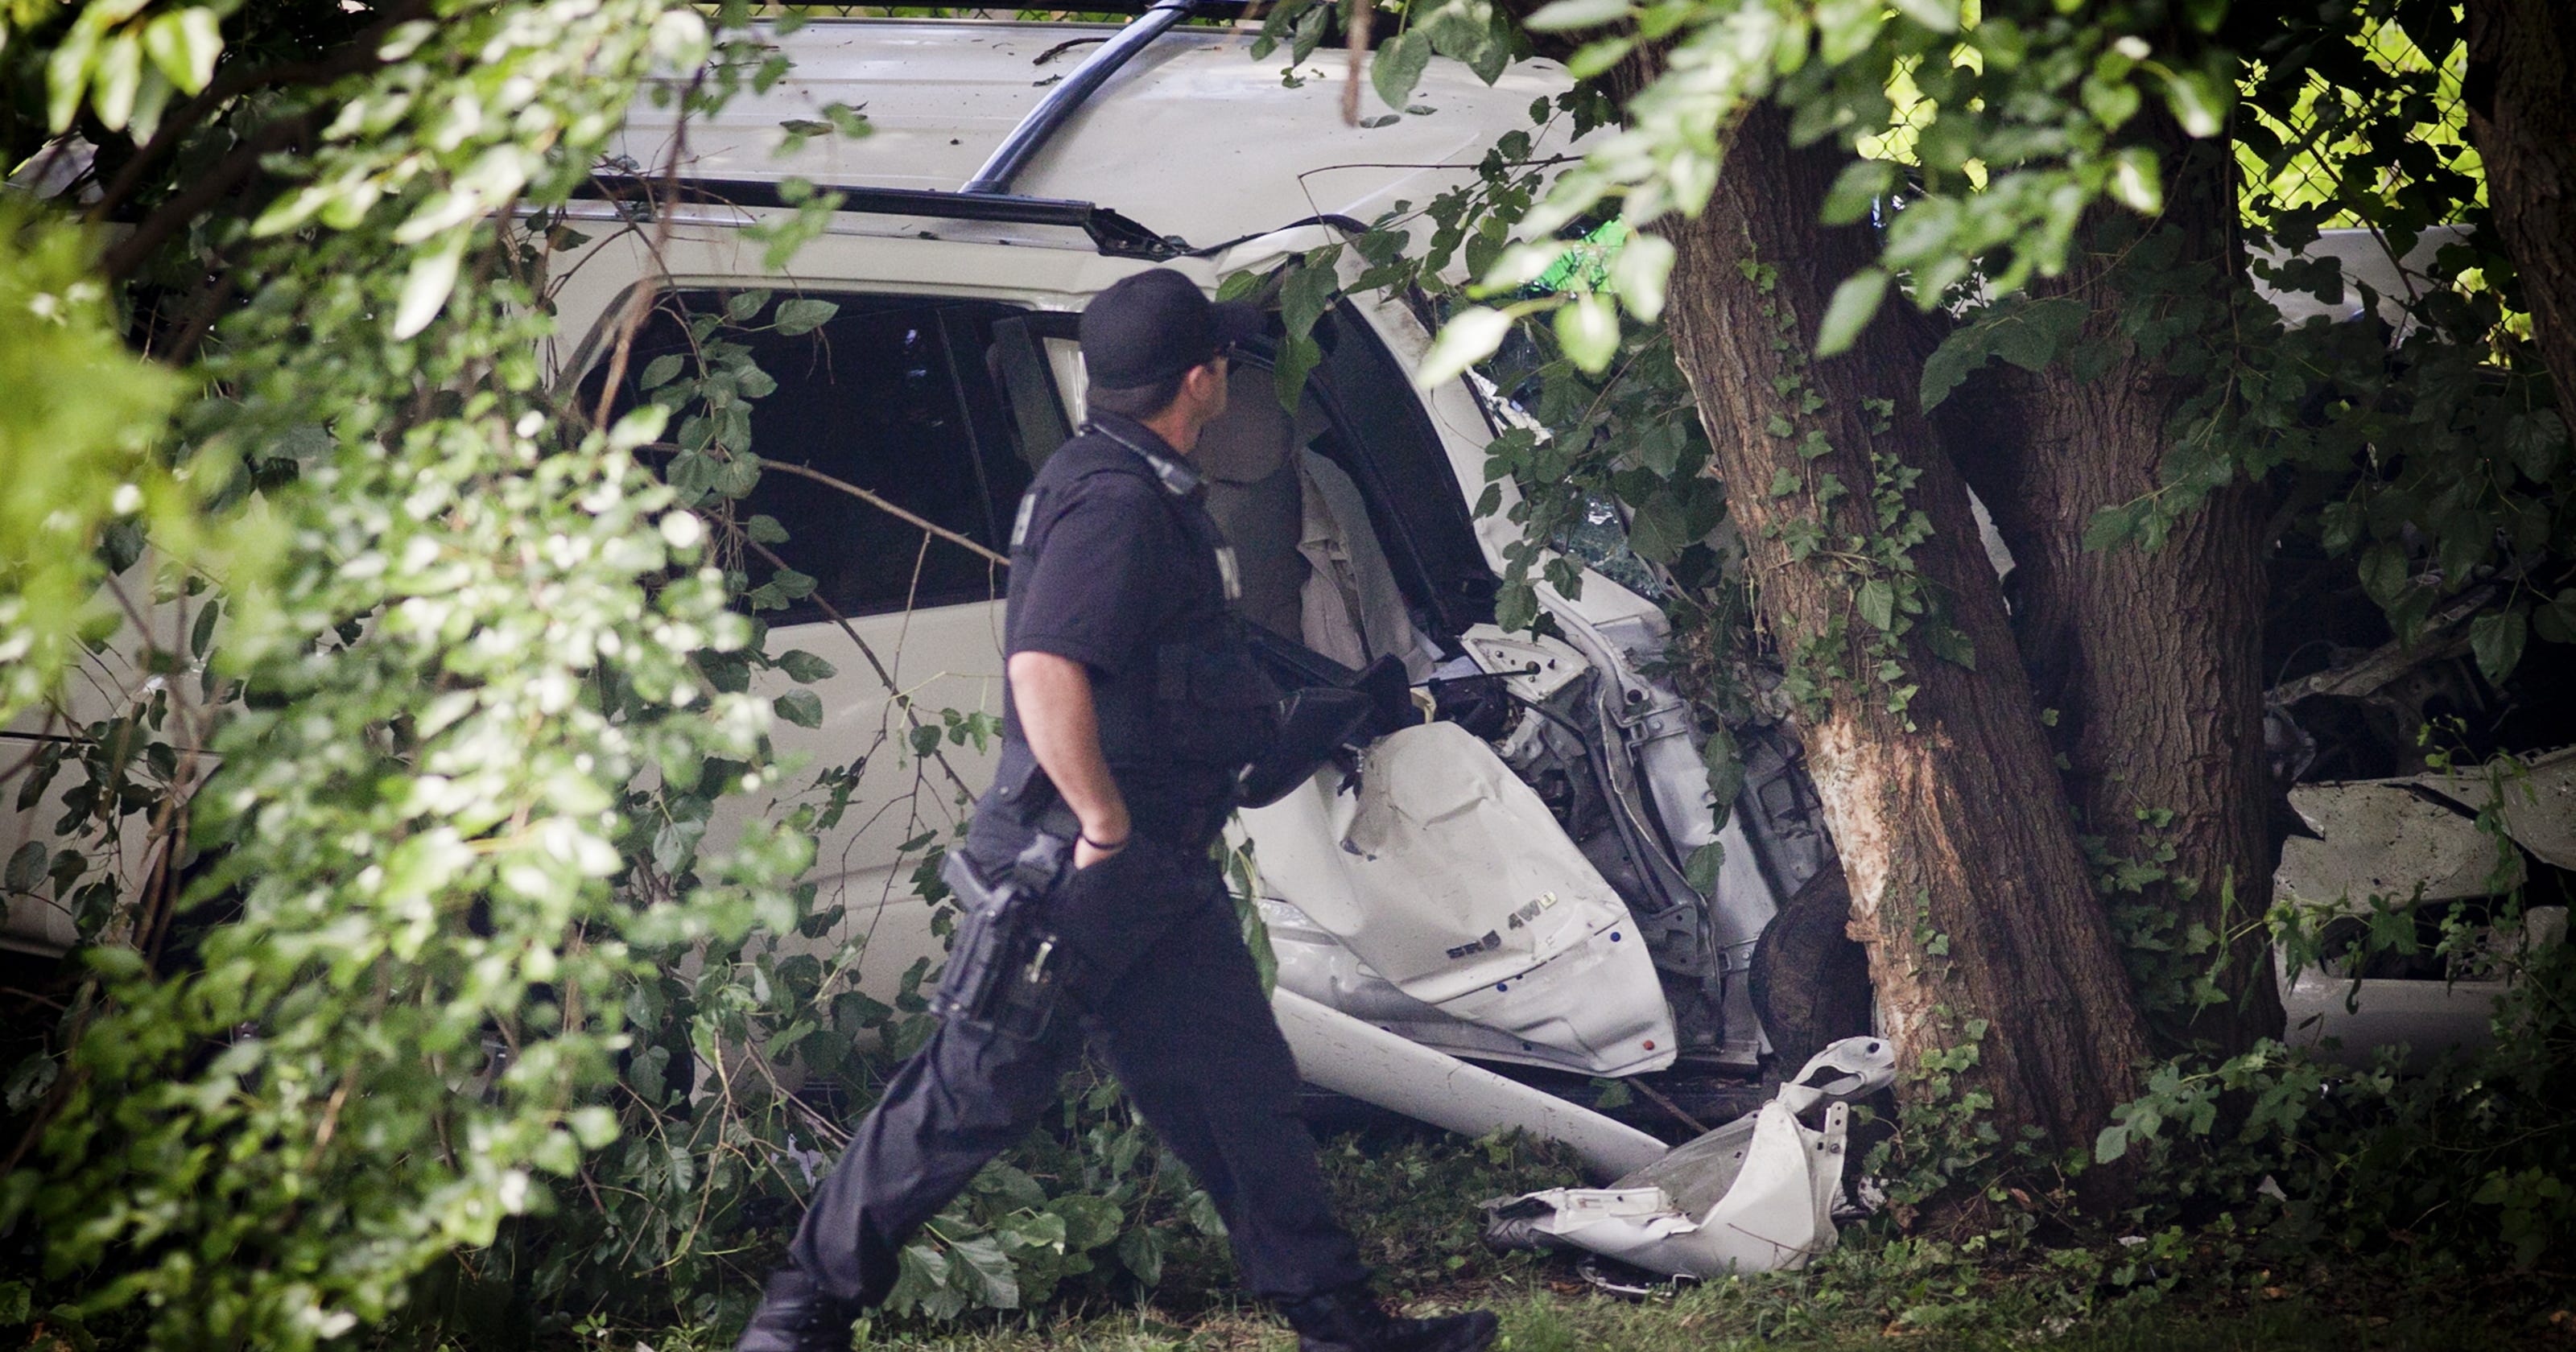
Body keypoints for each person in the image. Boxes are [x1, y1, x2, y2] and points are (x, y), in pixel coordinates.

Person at [736, 267, 1500, 1352]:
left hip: (1156, 874)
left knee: (1240, 1093)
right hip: (1080, 874)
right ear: (1199, 381)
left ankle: (1341, 1327)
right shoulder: (1115, 502)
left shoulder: (1127, 480)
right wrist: (1100, 822)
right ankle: (796, 1320)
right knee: (970, 1094)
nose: (1227, 373)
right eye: (1222, 360)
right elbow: (1046, 669)